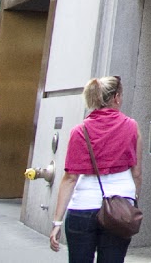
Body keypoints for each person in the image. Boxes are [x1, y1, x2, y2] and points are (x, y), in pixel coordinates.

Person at [48, 77, 140, 262]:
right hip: (120, 205)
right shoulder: (131, 126)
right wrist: (133, 201)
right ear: (116, 98)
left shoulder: (79, 130)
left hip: (83, 206)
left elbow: (70, 178)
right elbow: (136, 172)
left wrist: (57, 221)